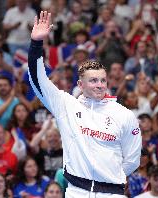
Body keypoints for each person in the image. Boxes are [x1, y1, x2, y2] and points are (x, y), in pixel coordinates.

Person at [28, 11, 142, 197]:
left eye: (102, 81)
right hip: (76, 192)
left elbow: (133, 160)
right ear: (80, 84)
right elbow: (37, 80)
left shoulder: (124, 115)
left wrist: (107, 176)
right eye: (93, 81)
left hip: (112, 194)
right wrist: (36, 44)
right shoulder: (66, 106)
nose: (99, 85)